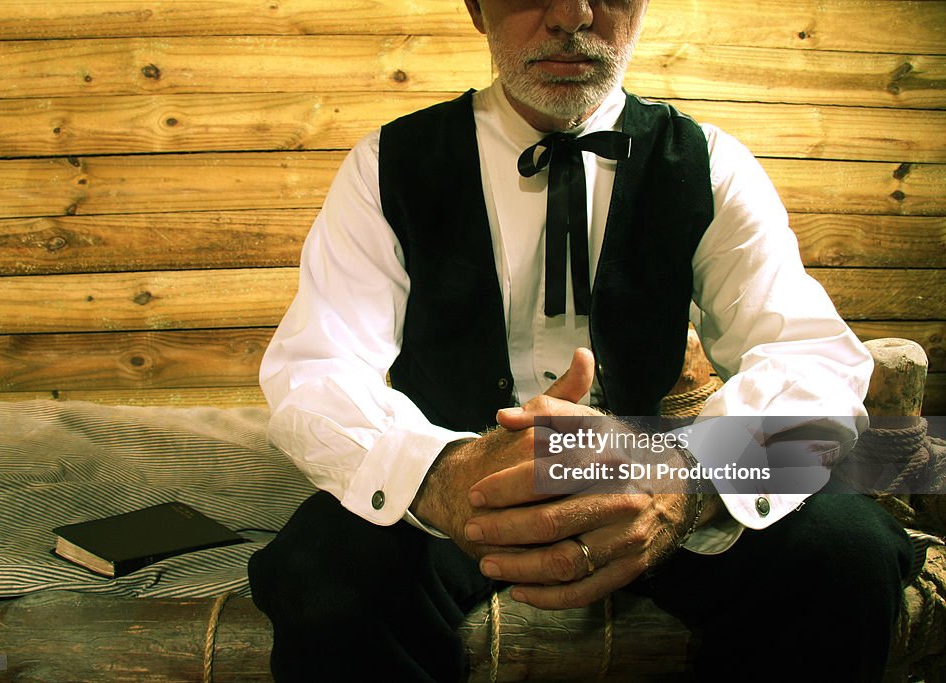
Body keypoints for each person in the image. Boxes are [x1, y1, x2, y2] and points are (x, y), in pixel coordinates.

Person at [249, 0, 914, 680]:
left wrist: (688, 477)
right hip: (453, 489)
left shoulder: (710, 164)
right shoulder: (385, 165)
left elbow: (816, 362)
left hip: (653, 478)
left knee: (846, 554)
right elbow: (316, 369)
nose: (572, 13)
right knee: (320, 577)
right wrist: (439, 474)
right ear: (478, 8)